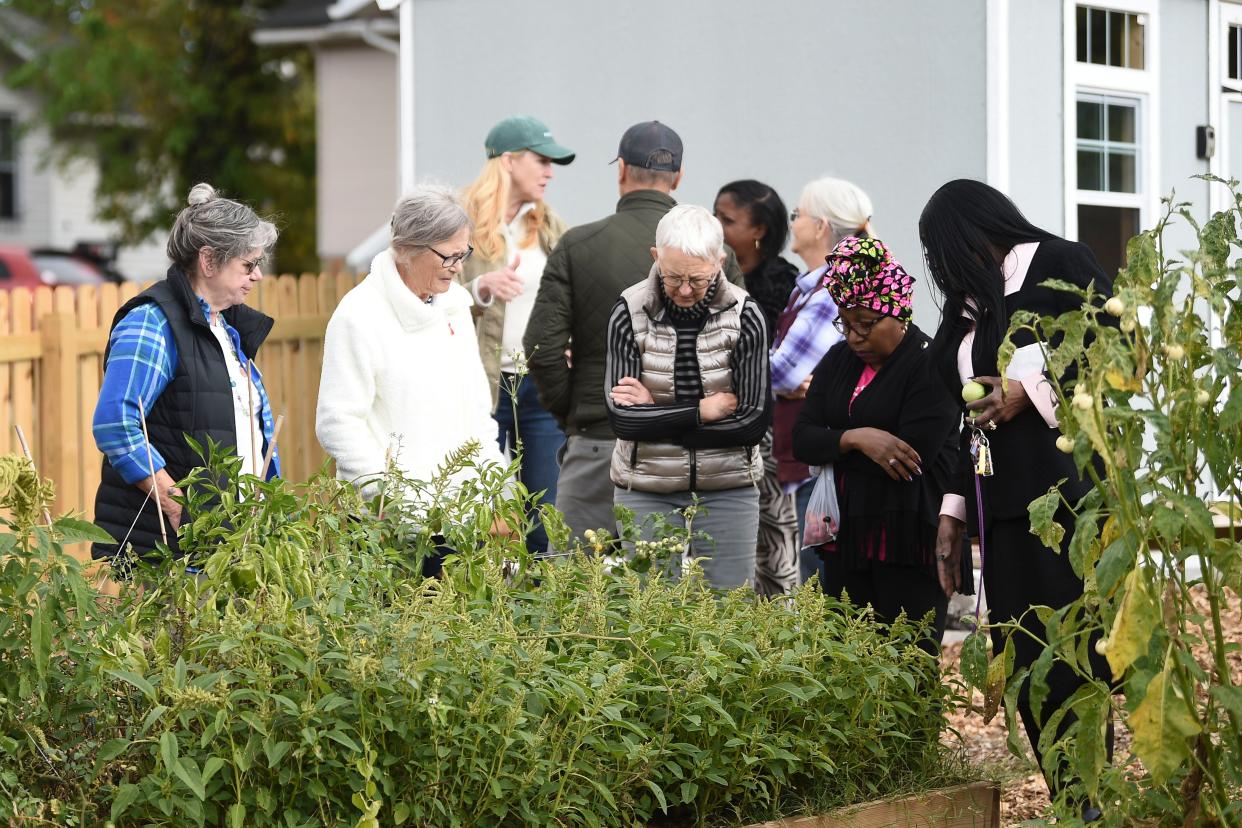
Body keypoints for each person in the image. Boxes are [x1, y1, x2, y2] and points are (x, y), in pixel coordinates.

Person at [920, 179, 1113, 816]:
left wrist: (1023, 389)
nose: (943, 272)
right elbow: (959, 416)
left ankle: (1090, 797)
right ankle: (1069, 798)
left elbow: (1109, 352)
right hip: (998, 510)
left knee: (1073, 653)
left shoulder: (1062, 262)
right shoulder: (969, 304)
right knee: (1025, 654)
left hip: (1066, 505)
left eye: (944, 255)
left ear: (977, 233)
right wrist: (952, 513)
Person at [523, 121, 742, 543]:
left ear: (621, 169)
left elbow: (541, 347)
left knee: (578, 589)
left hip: (598, 442)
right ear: (678, 177)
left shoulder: (577, 244)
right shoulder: (716, 256)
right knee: (676, 592)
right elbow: (736, 350)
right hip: (690, 452)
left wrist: (576, 410)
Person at [91, 183, 280, 568]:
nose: (258, 275)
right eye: (247, 265)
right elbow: (116, 423)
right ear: (209, 261)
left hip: (229, 543)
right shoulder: (153, 322)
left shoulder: (224, 328)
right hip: (172, 550)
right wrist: (179, 510)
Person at [791, 236, 965, 653]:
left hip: (908, 539)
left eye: (866, 322)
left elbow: (910, 457)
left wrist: (833, 445)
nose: (854, 335)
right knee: (846, 661)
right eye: (845, 322)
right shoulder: (837, 362)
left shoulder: (931, 365)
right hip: (845, 538)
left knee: (908, 663)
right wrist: (857, 439)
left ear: (898, 313)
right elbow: (801, 439)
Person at [316, 185, 506, 523]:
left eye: (464, 254)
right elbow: (337, 422)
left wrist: (495, 490)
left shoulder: (455, 307)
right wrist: (392, 498)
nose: (458, 268)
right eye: (448, 256)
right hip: (387, 526)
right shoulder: (358, 315)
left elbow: (477, 411)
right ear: (406, 248)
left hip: (461, 518)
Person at [605, 205, 770, 589]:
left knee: (730, 609)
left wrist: (655, 413)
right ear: (655, 257)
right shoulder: (628, 311)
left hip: (729, 485)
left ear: (720, 262)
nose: (682, 290)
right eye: (672, 276)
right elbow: (622, 420)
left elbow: (751, 425)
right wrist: (702, 411)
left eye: (696, 279)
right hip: (646, 485)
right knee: (652, 613)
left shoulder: (746, 315)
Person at [458, 116, 574, 555]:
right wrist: (479, 289)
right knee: (470, 511)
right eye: (541, 160)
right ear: (508, 161)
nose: (549, 172)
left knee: (545, 513)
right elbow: (426, 293)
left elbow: (571, 292)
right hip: (476, 383)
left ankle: (544, 612)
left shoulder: (548, 225)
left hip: (538, 384)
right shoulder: (457, 220)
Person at [771, 176, 872, 583]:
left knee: (821, 582)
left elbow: (783, 371)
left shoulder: (832, 289)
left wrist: (760, 368)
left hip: (820, 464)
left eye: (798, 215)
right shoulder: (811, 288)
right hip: (809, 458)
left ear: (821, 227)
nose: (792, 223)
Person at [711, 180, 801, 595]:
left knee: (771, 535)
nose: (716, 225)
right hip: (714, 420)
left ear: (758, 230)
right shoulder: (703, 274)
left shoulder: (781, 281)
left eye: (726, 220)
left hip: (764, 427)